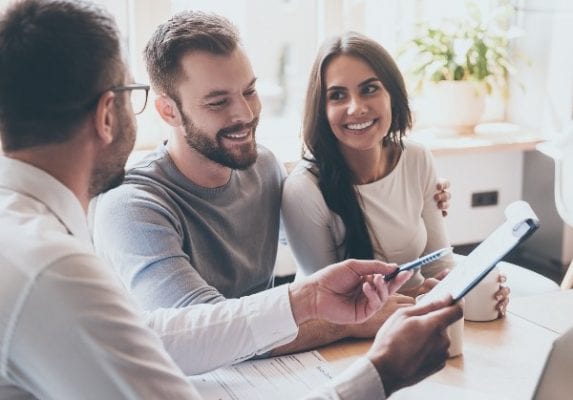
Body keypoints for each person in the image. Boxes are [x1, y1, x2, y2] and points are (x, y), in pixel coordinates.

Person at [0, 1, 464, 399]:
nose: (243, 113)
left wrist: (308, 299)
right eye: (131, 94)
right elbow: (183, 327)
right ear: (108, 113)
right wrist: (380, 372)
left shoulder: (24, 236)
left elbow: (163, 334)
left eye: (249, 91)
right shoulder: (53, 266)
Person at [92, 11, 451, 352]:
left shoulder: (261, 166)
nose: (245, 115)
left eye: (249, 91)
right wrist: (351, 322)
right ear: (168, 110)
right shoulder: (132, 206)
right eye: (218, 102)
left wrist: (415, 194)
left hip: (269, 372)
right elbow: (203, 333)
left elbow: (319, 217)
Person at [281, 31, 510, 317]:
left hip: (413, 319)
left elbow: (439, 265)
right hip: (336, 337)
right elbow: (331, 307)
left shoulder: (416, 159)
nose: (356, 108)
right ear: (321, 109)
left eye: (369, 89)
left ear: (392, 94)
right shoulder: (303, 190)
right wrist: (425, 295)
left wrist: (475, 286)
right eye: (338, 95)